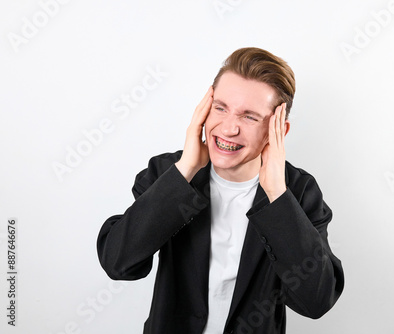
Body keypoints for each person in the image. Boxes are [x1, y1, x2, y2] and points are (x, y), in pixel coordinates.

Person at [97, 47, 344, 334]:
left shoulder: (298, 192)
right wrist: (186, 170)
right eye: (221, 107)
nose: (228, 129)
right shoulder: (169, 172)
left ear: (278, 130)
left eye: (249, 117)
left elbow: (316, 301)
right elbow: (118, 263)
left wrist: (278, 195)